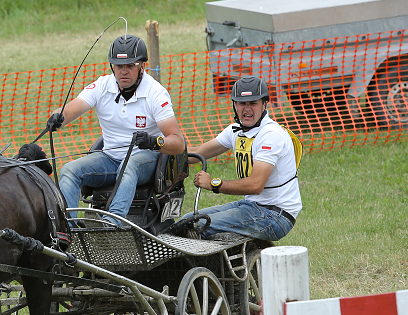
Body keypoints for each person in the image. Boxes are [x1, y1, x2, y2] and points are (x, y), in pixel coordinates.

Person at [47, 34, 186, 225]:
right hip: (110, 159)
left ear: (142, 66)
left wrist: (154, 142)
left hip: (146, 159)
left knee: (128, 166)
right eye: (119, 66)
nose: (124, 71)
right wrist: (58, 118)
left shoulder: (156, 93)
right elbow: (72, 108)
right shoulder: (102, 85)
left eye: (130, 66)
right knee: (70, 170)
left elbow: (178, 143)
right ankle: (67, 230)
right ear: (112, 66)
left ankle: (113, 223)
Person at [182, 75, 302, 241]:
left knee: (197, 226)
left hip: (276, 215)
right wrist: (161, 152)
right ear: (234, 105)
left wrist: (214, 184)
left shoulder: (271, 135)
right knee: (185, 221)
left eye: (253, 103)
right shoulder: (236, 130)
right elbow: (197, 153)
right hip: (252, 206)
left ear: (264, 104)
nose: (247, 109)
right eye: (242, 103)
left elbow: (255, 185)